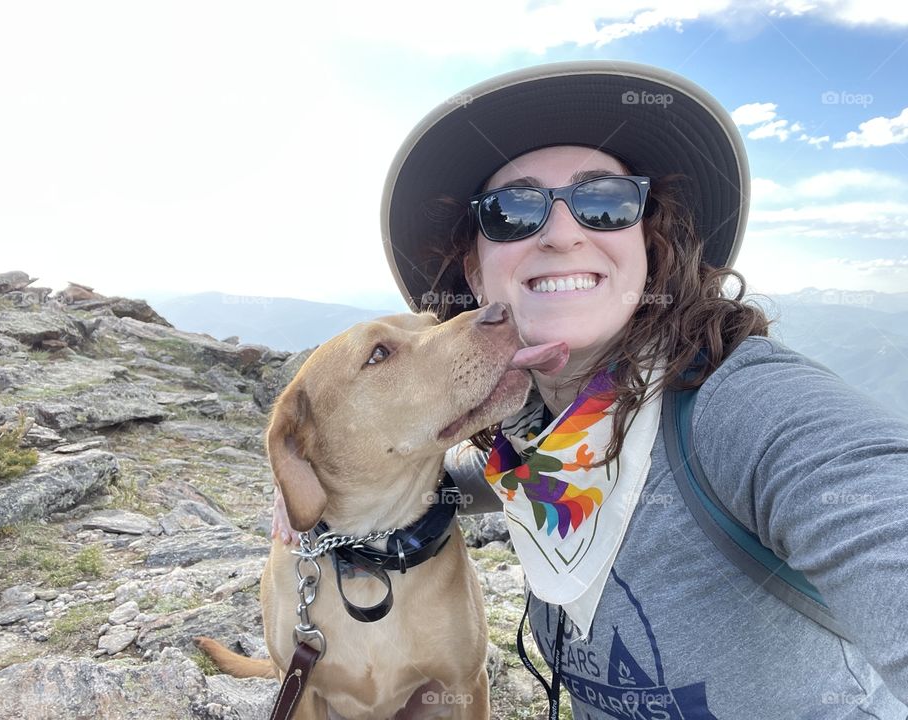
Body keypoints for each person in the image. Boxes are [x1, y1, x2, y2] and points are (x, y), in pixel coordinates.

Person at [273, 61, 908, 718]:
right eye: (514, 212)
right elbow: (467, 475)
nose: (563, 232)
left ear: (650, 247)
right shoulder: (539, 442)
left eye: (604, 202)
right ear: (477, 273)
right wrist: (320, 481)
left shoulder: (746, 413)